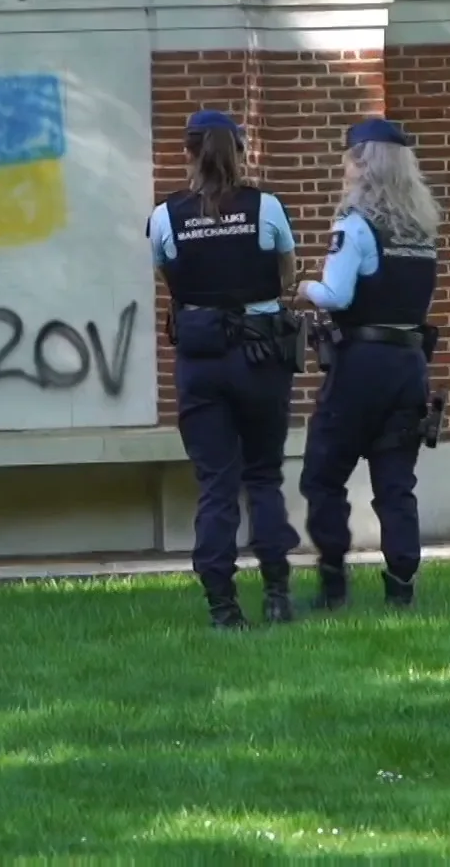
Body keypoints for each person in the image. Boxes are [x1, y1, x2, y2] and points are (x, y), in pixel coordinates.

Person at [147, 109, 304, 629]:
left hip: (201, 360)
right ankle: (278, 593)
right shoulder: (268, 208)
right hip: (261, 357)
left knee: (216, 484)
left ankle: (222, 606)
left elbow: (170, 276)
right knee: (263, 476)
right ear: (240, 151)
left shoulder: (166, 216)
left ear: (187, 154)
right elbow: (286, 276)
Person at [294, 117, 445, 612]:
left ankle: (333, 580)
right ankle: (402, 586)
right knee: (396, 482)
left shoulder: (355, 225)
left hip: (360, 363)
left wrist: (304, 289)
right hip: (409, 363)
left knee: (323, 473)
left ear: (362, 161)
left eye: (347, 158)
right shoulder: (421, 230)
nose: (344, 167)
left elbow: (337, 294)